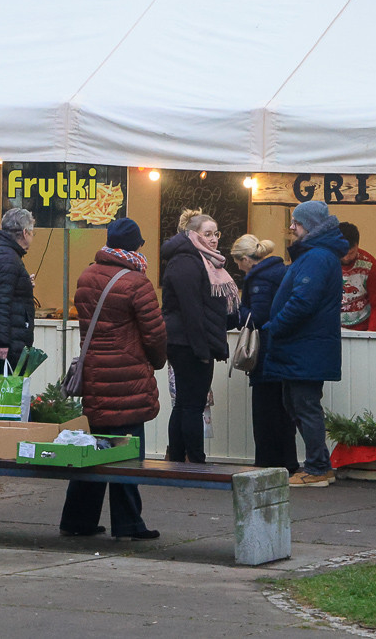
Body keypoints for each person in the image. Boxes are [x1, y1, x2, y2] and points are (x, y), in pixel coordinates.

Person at [59, 218, 167, 538]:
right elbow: (155, 334)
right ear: (135, 245)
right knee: (127, 453)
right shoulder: (136, 282)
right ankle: (128, 524)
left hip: (95, 375)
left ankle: (77, 521)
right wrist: (157, 361)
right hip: (127, 378)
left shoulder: (87, 275)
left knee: (93, 450)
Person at [264, 200, 349, 487]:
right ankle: (320, 464)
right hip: (305, 347)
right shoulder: (319, 255)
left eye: (296, 223)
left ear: (310, 226)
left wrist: (275, 327)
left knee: (304, 405)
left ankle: (316, 468)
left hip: (304, 346)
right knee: (297, 404)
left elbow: (302, 302)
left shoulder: (316, 257)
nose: (291, 227)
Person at [161, 208, 239, 463]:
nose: (214, 239)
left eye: (216, 234)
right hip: (189, 344)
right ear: (193, 235)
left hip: (191, 342)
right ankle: (195, 462)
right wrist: (202, 351)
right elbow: (191, 310)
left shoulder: (202, 260)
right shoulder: (186, 262)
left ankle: (178, 459)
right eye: (208, 234)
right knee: (192, 405)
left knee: (185, 403)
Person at [230, 234, 299, 476]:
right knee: (283, 412)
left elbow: (257, 317)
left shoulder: (259, 279)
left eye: (238, 263)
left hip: (267, 353)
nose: (239, 268)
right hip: (284, 351)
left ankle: (267, 463)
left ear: (246, 259)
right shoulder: (281, 271)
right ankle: (287, 461)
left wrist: (238, 308)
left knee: (265, 412)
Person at [0, 208, 36, 370]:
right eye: (32, 233)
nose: (32, 237)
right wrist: (1, 342)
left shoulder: (2, 254)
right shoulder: (7, 257)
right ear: (25, 233)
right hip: (9, 343)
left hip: (9, 338)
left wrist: (24, 283)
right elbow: (0, 302)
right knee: (7, 385)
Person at [338, 222, 376, 331]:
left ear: (357, 245)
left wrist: (370, 333)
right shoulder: (327, 263)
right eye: (343, 253)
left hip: (362, 328)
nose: (346, 258)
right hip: (332, 328)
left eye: (351, 253)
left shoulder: (369, 265)